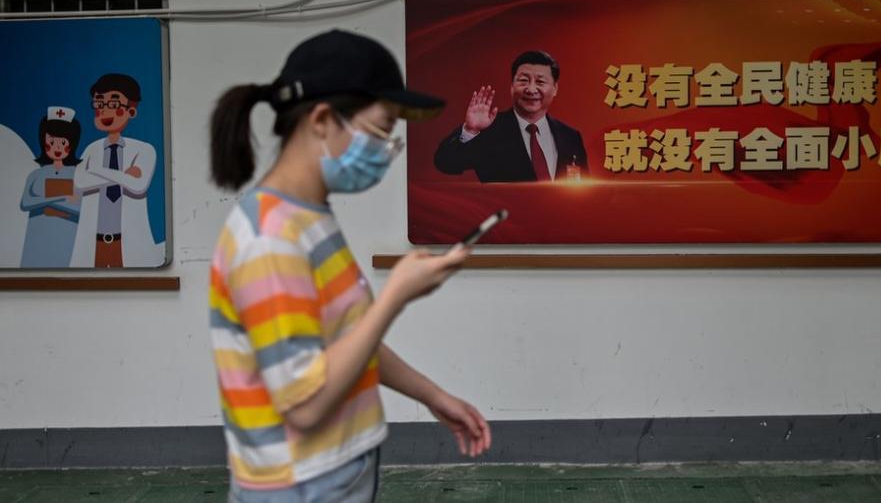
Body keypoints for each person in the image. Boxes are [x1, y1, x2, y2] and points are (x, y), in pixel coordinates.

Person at [208, 29, 491, 503]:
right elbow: (304, 403)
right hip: (299, 484)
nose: (386, 149)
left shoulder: (308, 218)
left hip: (336, 469)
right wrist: (396, 296)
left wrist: (431, 395)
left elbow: (343, 341)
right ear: (322, 120)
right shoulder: (269, 239)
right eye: (381, 129)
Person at [434, 50, 589, 182]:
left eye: (540, 82)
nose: (531, 89)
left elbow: (583, 190)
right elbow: (446, 164)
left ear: (555, 88)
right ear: (512, 86)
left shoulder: (571, 137)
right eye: (523, 81)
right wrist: (470, 130)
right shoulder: (489, 129)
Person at [71, 73, 162, 268]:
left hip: (129, 242)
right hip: (94, 242)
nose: (104, 111)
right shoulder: (91, 149)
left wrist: (96, 170)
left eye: (113, 105)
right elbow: (79, 183)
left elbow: (138, 185)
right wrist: (122, 176)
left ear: (131, 111)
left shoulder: (144, 150)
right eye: (99, 104)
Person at [19, 107, 82, 267]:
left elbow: (79, 206)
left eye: (63, 142)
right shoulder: (36, 174)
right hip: (37, 233)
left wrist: (45, 202)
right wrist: (60, 197)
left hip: (65, 233)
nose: (58, 148)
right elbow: (25, 203)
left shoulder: (78, 175)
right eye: (52, 142)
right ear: (43, 141)